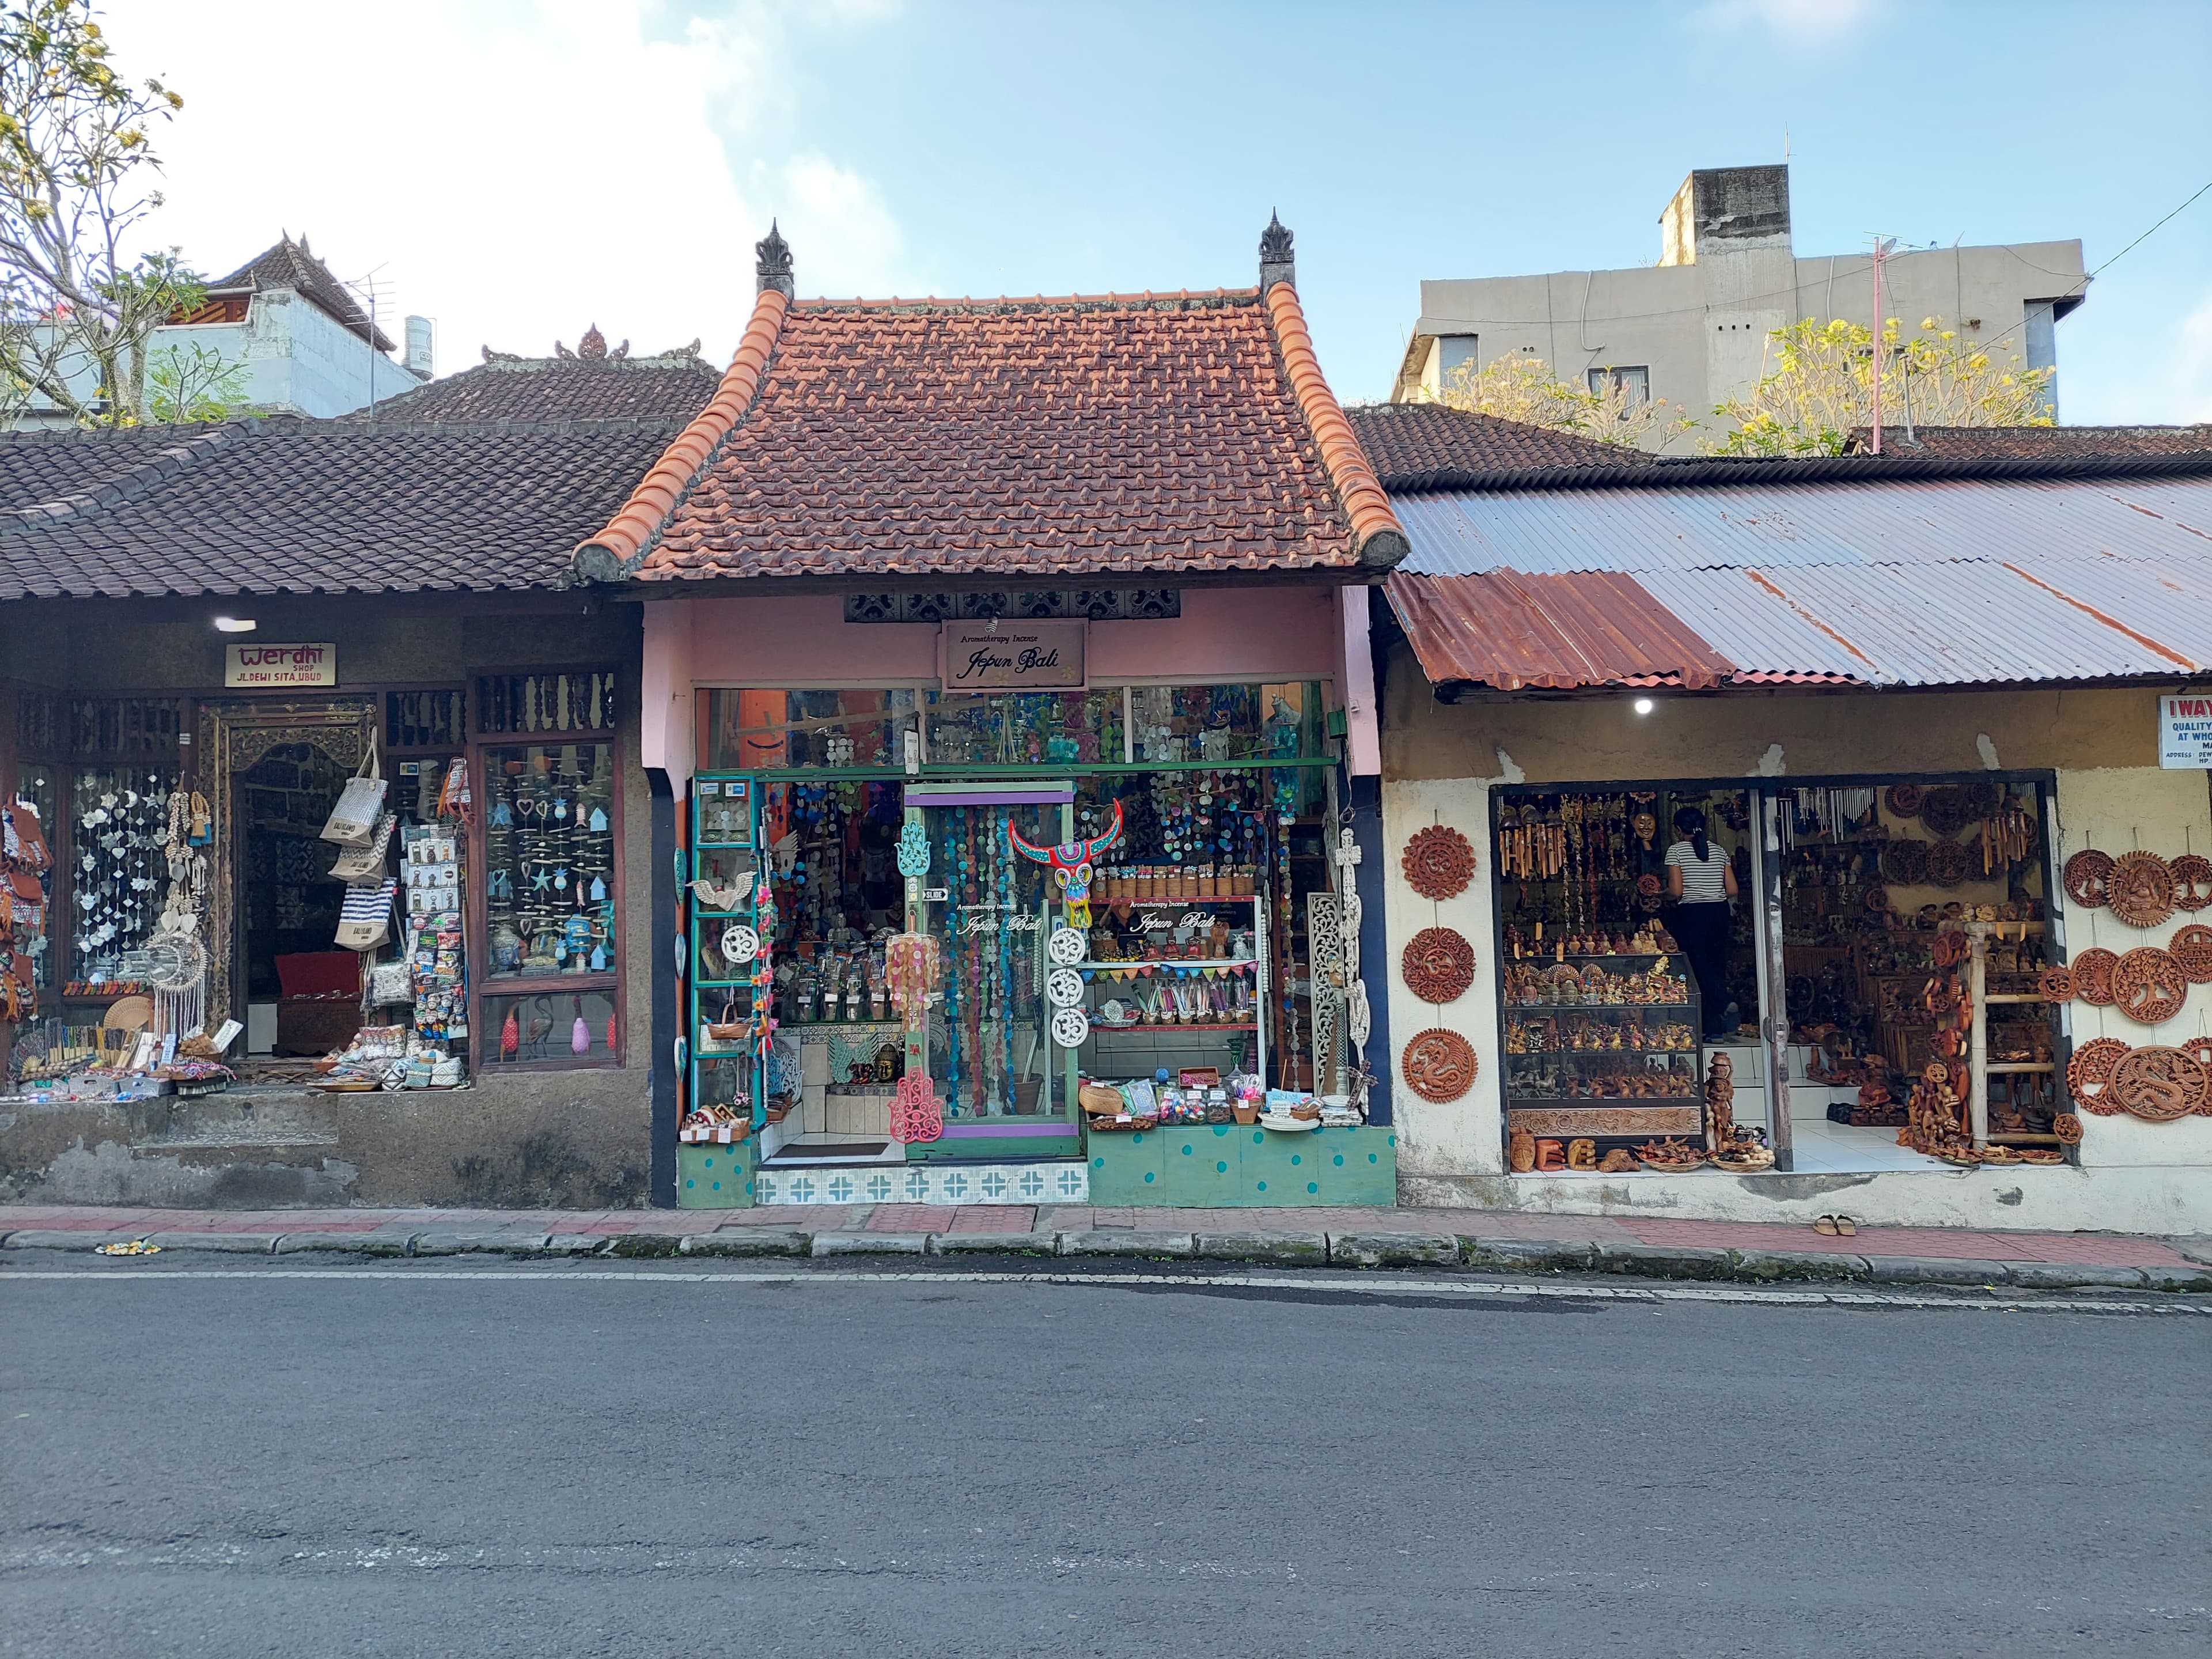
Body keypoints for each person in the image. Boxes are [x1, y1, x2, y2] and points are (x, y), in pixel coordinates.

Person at [1665, 807, 1738, 1040]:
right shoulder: (1718, 851)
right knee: (1715, 967)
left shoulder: (1676, 851)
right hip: (1719, 912)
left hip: (1693, 912)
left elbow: (1676, 891)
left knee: (1697, 967)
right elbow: (1733, 889)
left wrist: (1661, 895)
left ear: (1678, 830)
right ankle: (1714, 1030)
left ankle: (1724, 1002)